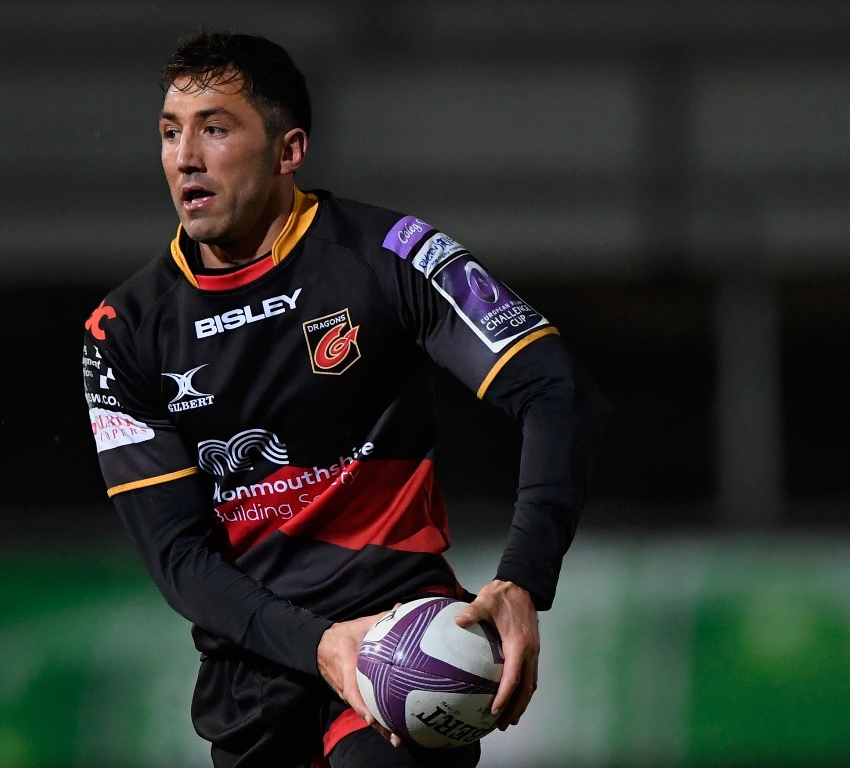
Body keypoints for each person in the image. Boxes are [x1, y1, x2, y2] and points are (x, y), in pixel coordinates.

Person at [82, 29, 607, 768]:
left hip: (400, 647)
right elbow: (177, 557)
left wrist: (523, 578)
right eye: (171, 133)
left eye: (215, 129)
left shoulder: (391, 255)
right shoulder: (122, 332)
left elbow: (556, 390)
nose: (185, 157)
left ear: (288, 150)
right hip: (257, 671)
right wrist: (319, 644)